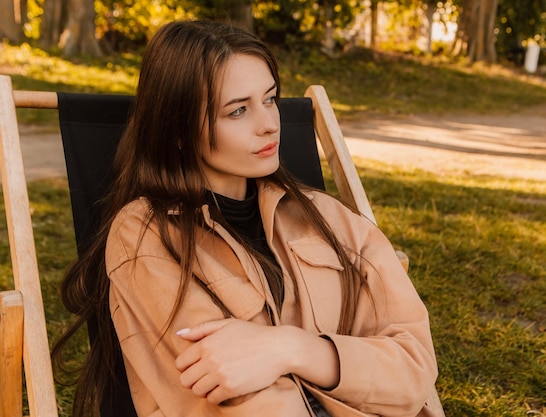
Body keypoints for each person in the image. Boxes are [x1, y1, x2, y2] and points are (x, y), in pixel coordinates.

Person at [53, 19, 439, 417]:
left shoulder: (326, 216)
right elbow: (240, 402)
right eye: (237, 111)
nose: (270, 123)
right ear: (179, 130)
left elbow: (415, 368)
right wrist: (355, 366)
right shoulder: (148, 236)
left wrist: (292, 348)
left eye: (270, 99)